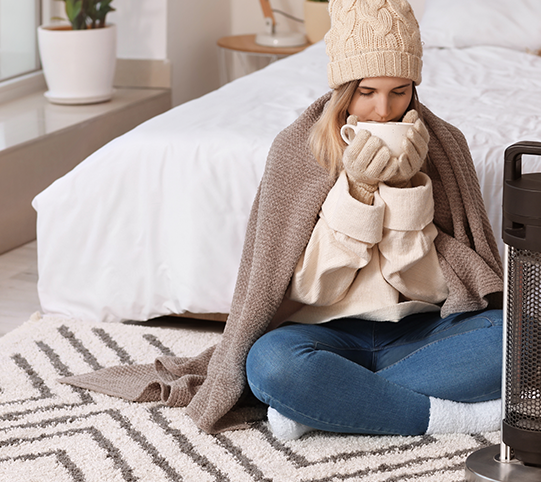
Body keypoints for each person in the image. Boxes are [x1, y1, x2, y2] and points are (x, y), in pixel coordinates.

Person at [60, 0, 504, 439]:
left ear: (414, 88)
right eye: (366, 93)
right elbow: (311, 289)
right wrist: (361, 192)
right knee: (270, 365)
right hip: (321, 335)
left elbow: (436, 289)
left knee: (513, 341)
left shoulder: (445, 147)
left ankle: (320, 405)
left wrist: (406, 191)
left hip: (423, 330)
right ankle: (448, 417)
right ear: (343, 90)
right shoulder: (297, 150)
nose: (383, 111)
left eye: (399, 92)